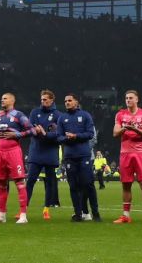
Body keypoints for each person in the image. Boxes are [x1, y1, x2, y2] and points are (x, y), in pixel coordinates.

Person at [113, 90, 142, 224]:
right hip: (125, 153)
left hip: (140, 153)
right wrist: (125, 128)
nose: (128, 100)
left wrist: (135, 129)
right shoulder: (120, 114)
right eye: (126, 98)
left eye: (131, 98)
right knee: (126, 184)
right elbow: (115, 133)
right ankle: (126, 215)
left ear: (137, 99)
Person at [0, 93, 33, 224]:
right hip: (0, 152)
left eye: (5, 98)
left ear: (12, 101)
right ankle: (2, 215)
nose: (2, 100)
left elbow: (32, 130)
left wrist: (17, 134)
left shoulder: (19, 115)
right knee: (1, 184)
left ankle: (23, 215)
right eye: (1, 98)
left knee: (19, 183)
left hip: (13, 151)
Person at [56, 93, 98, 222]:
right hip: (69, 157)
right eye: (65, 101)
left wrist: (76, 136)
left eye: (69, 100)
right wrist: (67, 138)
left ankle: (95, 213)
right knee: (73, 186)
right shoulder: (62, 118)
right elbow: (58, 137)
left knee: (88, 184)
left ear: (76, 102)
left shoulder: (85, 115)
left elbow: (90, 134)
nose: (67, 102)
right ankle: (78, 213)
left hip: (84, 155)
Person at [28, 90, 64, 221]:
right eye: (41, 99)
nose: (42, 102)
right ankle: (23, 209)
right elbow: (29, 127)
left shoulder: (58, 115)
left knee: (49, 182)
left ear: (51, 100)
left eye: (45, 99)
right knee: (30, 180)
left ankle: (46, 209)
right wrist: (35, 130)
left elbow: (58, 134)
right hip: (36, 151)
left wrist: (44, 133)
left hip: (50, 152)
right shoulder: (34, 112)